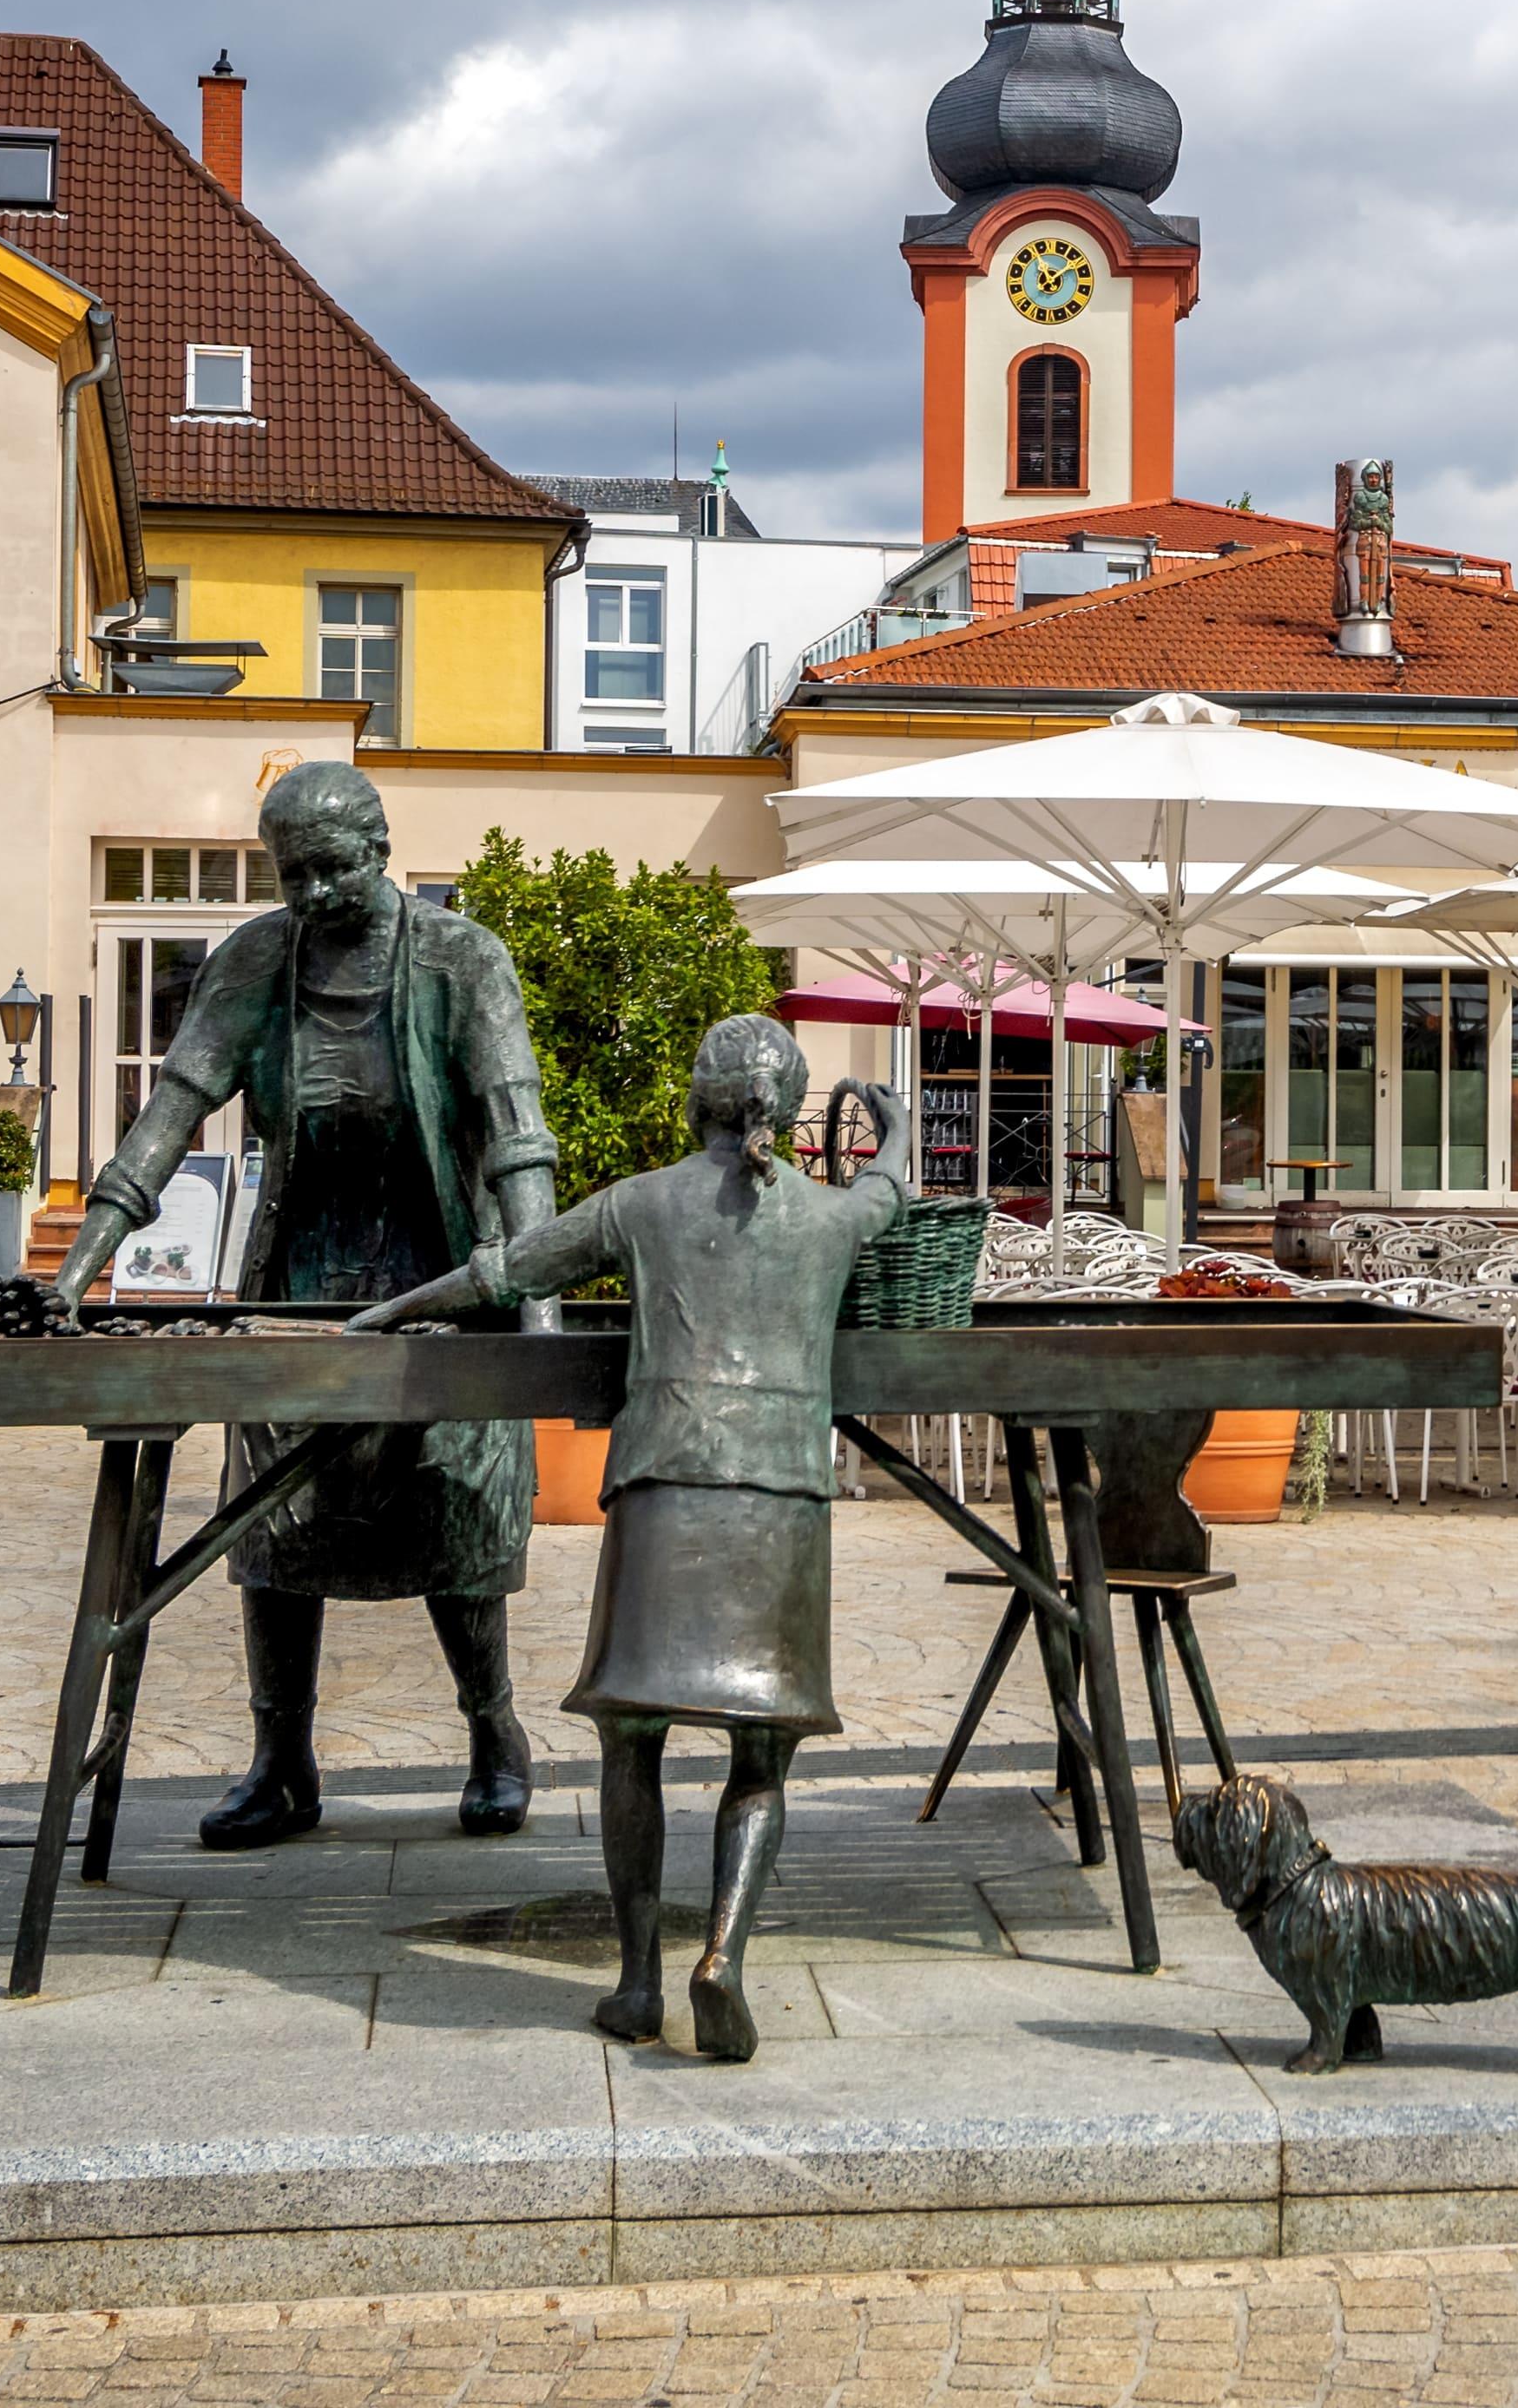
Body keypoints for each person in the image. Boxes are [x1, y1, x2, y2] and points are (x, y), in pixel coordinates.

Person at [358, 1015, 907, 2064]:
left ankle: (639, 1978)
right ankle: (724, 1954)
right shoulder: (831, 1217)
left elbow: (510, 1271)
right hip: (782, 1499)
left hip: (663, 1485)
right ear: (789, 1109)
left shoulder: (641, 1202)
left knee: (631, 1737)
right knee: (762, 1753)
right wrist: (895, 1131)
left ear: (696, 1101)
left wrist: (386, 1316)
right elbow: (889, 1192)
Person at [62, 762, 555, 1848]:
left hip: (439, 1280)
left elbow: (516, 1131)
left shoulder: (463, 958)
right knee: (274, 1520)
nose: (314, 893)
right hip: (298, 1282)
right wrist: (74, 1271)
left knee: (455, 1513)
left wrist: (538, 1311)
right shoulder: (254, 959)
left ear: (381, 849)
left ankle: (493, 1733)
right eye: (293, 874)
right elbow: (169, 1114)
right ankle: (281, 1761)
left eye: (332, 869)